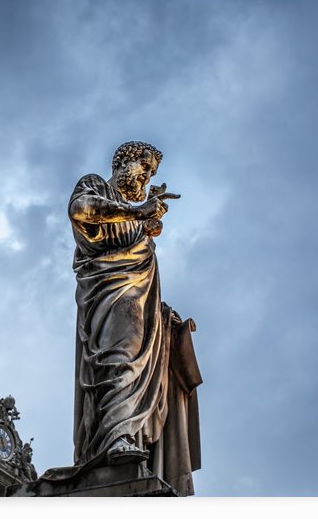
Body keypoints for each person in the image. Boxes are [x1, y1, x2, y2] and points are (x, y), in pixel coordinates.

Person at [64, 141, 201, 495]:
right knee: (119, 359)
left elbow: (145, 277)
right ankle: (115, 439)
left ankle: (129, 440)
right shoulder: (95, 186)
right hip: (107, 294)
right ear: (123, 161)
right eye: (144, 165)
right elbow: (80, 210)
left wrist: (164, 317)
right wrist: (140, 211)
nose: (146, 175)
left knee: (137, 369)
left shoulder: (134, 217)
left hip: (140, 304)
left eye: (151, 171)